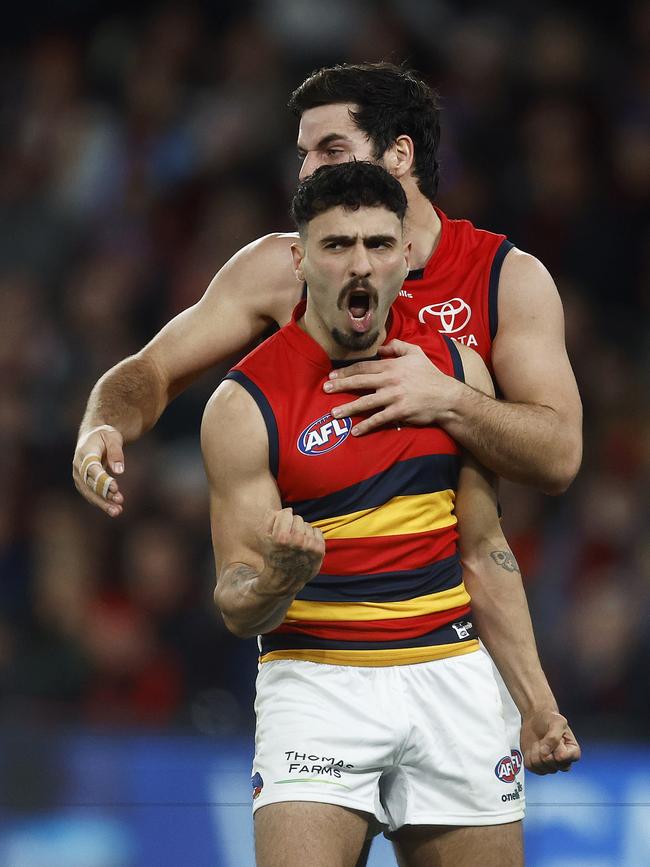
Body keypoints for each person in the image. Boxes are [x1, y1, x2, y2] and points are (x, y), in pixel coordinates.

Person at [201, 162, 579, 867]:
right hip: (317, 680)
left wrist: (537, 702)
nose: (361, 264)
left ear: (405, 256)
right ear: (299, 259)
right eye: (338, 244)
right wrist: (277, 581)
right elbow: (235, 599)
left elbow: (484, 548)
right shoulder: (244, 404)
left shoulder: (458, 373)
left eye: (379, 243)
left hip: (454, 680)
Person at [73, 61, 582, 517]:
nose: (306, 172)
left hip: (455, 594)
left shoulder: (505, 278)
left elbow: (559, 457)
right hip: (313, 586)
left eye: (331, 149)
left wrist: (449, 400)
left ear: (400, 154)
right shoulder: (283, 266)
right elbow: (154, 368)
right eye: (303, 154)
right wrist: (101, 423)